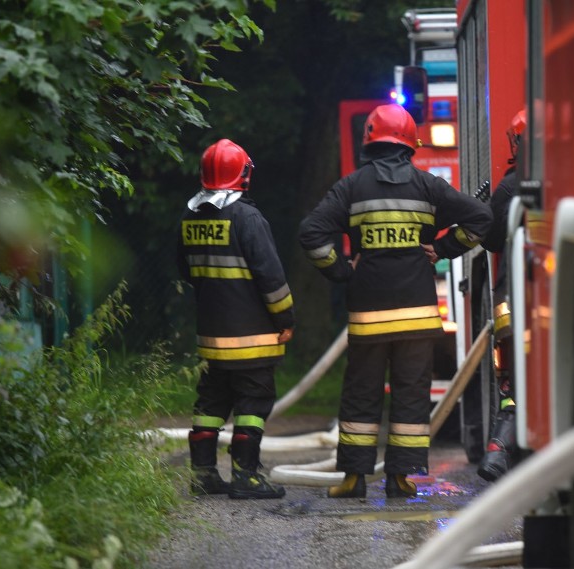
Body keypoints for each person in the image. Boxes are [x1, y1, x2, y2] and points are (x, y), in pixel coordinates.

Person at [298, 104, 492, 499]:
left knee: (361, 393)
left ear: (370, 140)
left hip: (369, 315)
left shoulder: (351, 187)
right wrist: (442, 248)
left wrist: (341, 271)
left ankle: (353, 479)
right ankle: (401, 478)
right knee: (411, 395)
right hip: (418, 316)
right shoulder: (428, 186)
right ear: (409, 142)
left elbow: (311, 233)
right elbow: (482, 219)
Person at [176, 138, 294, 499]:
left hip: (212, 338)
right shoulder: (247, 217)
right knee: (253, 406)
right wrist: (285, 318)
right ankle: (246, 477)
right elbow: (270, 278)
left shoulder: (189, 216)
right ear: (242, 174)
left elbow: (185, 271)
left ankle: (203, 475)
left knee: (210, 404)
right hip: (252, 340)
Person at [476, 109, 526, 482]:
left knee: (511, 383)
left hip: (513, 301)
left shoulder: (510, 187)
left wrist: (482, 207)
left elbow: (491, 239)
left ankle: (499, 452)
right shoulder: (571, 179)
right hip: (553, 306)